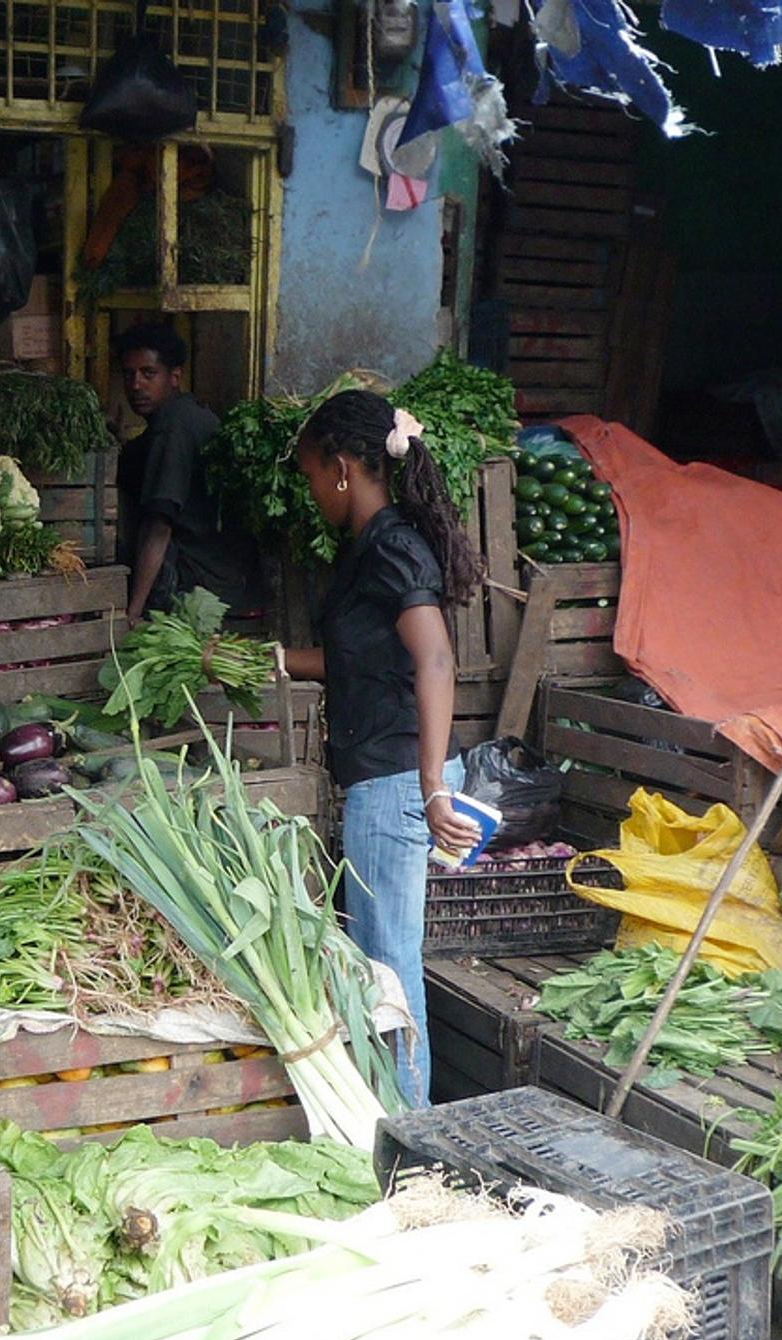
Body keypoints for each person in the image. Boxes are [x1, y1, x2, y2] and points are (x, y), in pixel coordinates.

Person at [280, 389, 482, 1108]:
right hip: (393, 780)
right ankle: (400, 1123)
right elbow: (361, 656)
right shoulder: (371, 547)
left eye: (310, 477)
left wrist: (431, 786)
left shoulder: (392, 545)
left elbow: (433, 659)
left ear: (341, 469)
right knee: (381, 964)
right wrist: (275, 658)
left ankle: (413, 1136)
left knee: (388, 970)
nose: (311, 494)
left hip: (397, 783)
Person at [114, 322, 260, 623]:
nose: (136, 384)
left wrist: (133, 610)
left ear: (175, 377)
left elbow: (160, 525)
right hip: (229, 581)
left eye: (148, 373)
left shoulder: (174, 424)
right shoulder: (187, 413)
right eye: (129, 375)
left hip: (205, 588)